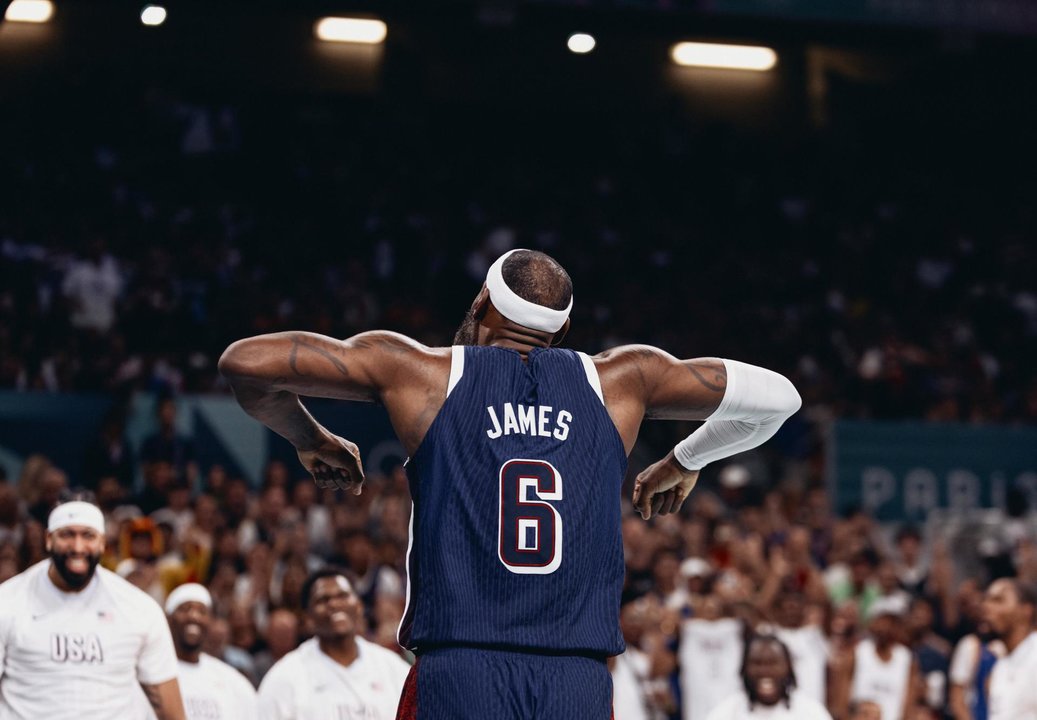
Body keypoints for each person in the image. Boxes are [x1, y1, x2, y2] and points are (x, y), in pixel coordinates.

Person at [220, 248, 801, 718]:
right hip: (576, 681)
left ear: (480, 305)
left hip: (462, 672)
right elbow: (781, 399)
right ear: (565, 328)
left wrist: (309, 439)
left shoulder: (420, 372)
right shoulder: (624, 381)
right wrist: (687, 457)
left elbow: (245, 364)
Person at [0, 499, 186, 719]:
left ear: (102, 543)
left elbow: (169, 706)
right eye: (67, 535)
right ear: (49, 539)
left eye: (88, 536)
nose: (78, 547)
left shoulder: (139, 609)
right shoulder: (8, 602)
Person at [256, 567, 410, 720]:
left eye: (343, 596)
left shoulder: (392, 668)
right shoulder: (284, 678)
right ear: (308, 618)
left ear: (359, 607)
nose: (335, 604)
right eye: (323, 599)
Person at [144, 583, 257, 720]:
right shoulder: (151, 673)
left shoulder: (231, 679)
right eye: (185, 609)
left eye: (202, 611)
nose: (194, 616)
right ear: (168, 619)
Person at [705, 634, 832, 719]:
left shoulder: (811, 712)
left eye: (773, 663)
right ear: (744, 668)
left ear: (788, 667)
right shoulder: (726, 713)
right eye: (757, 663)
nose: (765, 671)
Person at [983, 577, 1037, 719]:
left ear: (1026, 610)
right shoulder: (999, 667)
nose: (987, 606)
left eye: (998, 600)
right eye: (987, 600)